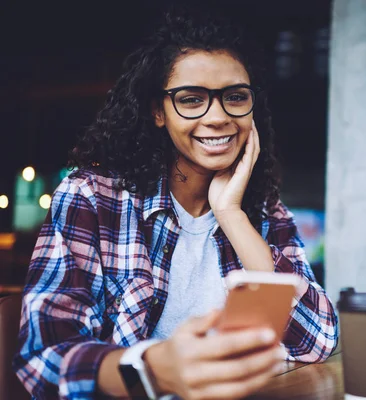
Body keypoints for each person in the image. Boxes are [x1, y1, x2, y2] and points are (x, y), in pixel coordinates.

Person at [13, 8, 338, 400]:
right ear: (157, 112)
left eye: (235, 97)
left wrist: (231, 216)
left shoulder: (264, 211)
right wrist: (153, 369)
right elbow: (44, 358)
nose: (217, 117)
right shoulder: (92, 199)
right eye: (191, 99)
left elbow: (318, 340)